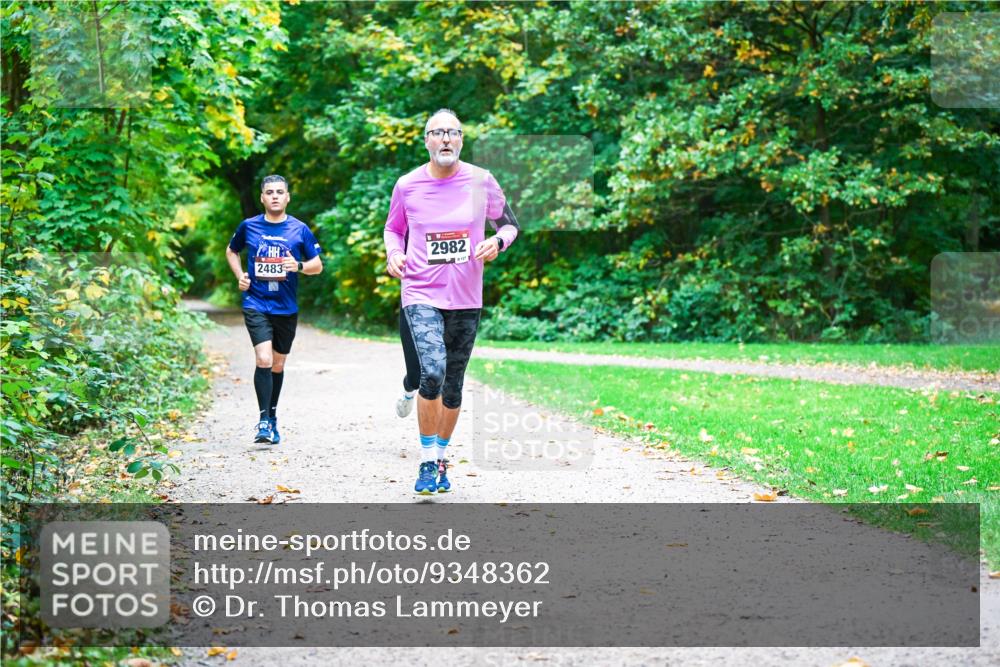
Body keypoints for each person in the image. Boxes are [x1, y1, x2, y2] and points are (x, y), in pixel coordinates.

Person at [384, 108, 519, 494]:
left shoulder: (482, 181)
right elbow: (393, 229)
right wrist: (394, 254)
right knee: (431, 374)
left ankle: (442, 458)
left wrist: (497, 242)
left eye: (453, 132)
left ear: (461, 139)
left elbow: (509, 224)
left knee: (454, 386)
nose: (445, 139)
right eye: (437, 132)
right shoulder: (407, 185)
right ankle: (426, 462)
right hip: (420, 291)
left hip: (465, 297)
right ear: (425, 140)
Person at [226, 174, 323, 444]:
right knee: (264, 360)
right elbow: (231, 251)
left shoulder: (299, 229)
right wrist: (240, 275)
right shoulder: (249, 226)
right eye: (270, 192)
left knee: (278, 365)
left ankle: (272, 415)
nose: (275, 196)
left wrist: (299, 266)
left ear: (288, 197)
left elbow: (318, 265)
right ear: (262, 197)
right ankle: (263, 421)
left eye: (280, 192)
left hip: (286, 308)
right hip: (256, 303)